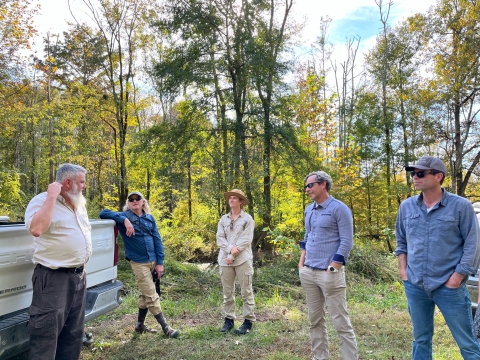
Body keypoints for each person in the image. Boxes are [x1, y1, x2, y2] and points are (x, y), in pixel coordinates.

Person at [395, 156, 480, 359]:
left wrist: (457, 278)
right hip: (415, 285)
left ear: (438, 176)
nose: (415, 177)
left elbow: (473, 245)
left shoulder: (461, 207)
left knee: (467, 342)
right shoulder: (406, 207)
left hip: (448, 286)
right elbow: (401, 242)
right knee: (421, 339)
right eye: (414, 173)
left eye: (421, 173)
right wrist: (404, 272)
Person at [24, 163, 92, 360]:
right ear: (67, 182)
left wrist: (82, 260)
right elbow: (36, 229)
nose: (84, 186)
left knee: (73, 334)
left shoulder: (78, 204)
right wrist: (52, 195)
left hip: (78, 277)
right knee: (46, 337)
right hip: (54, 279)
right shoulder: (42, 201)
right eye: (81, 182)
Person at [99, 191, 179, 338]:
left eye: (138, 199)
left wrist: (160, 263)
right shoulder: (124, 217)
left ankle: (139, 325)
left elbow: (157, 240)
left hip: (153, 261)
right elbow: (103, 213)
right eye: (131, 199)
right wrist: (124, 220)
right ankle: (166, 328)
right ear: (128, 203)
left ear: (143, 202)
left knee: (144, 293)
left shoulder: (150, 218)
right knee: (151, 294)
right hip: (139, 263)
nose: (134, 201)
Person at [299, 171, 358, 360]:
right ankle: (320, 357)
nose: (307, 189)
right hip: (309, 272)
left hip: (329, 274)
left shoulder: (339, 209)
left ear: (323, 184)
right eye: (306, 186)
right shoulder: (309, 209)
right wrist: (302, 263)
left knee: (340, 322)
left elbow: (347, 241)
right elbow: (307, 237)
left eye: (310, 185)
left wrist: (333, 267)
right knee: (315, 321)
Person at [216, 189, 256, 334]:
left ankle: (248, 321)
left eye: (235, 198)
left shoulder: (248, 219)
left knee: (246, 291)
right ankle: (229, 320)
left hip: (242, 260)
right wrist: (229, 250)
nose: (231, 200)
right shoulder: (223, 219)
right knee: (228, 292)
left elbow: (245, 240)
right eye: (230, 198)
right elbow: (219, 238)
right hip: (224, 260)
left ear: (241, 201)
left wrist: (232, 255)